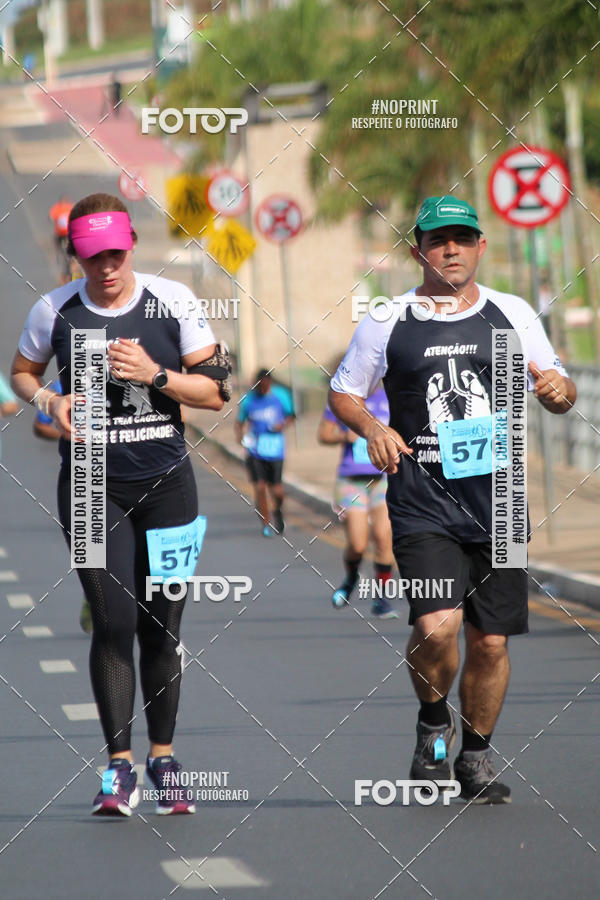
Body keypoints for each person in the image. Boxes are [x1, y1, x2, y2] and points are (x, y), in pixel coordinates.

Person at [329, 195, 576, 804]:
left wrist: (558, 391)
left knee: (491, 641)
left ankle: (475, 755)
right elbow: (344, 393)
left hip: (501, 501)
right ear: (418, 251)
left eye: (462, 239)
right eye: (438, 241)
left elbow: (560, 387)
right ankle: (433, 722)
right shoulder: (388, 319)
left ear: (480, 246)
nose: (451, 251)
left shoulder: (512, 312)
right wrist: (374, 428)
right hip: (423, 501)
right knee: (437, 627)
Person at [11, 192, 231, 816]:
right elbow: (22, 372)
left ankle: (164, 759)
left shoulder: (173, 302)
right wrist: (49, 401)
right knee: (114, 623)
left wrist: (154, 375)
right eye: (91, 256)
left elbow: (217, 392)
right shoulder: (54, 309)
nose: (105, 267)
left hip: (167, 485)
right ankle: (118, 768)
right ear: (74, 254)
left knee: (163, 628)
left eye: (114, 253)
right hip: (88, 485)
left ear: (131, 244)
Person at [317, 384, 398, 618]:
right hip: (351, 482)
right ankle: (351, 578)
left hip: (382, 479)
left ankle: (381, 599)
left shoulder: (389, 397)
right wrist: (344, 436)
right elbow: (323, 434)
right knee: (358, 544)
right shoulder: (343, 398)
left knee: (384, 537)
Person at [234, 369, 295, 537]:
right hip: (255, 449)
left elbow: (292, 415)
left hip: (275, 449)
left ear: (270, 383)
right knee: (260, 487)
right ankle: (265, 523)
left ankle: (278, 510)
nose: (262, 389)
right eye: (259, 386)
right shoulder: (249, 399)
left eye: (265, 386)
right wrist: (240, 438)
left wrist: (282, 425)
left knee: (277, 490)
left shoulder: (280, 395)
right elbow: (240, 422)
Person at [49, 195, 73, 284]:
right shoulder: (57, 208)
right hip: (60, 233)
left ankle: (67, 255)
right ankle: (59, 254)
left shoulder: (69, 207)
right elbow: (51, 217)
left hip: (67, 232)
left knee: (67, 249)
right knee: (58, 245)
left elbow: (51, 218)